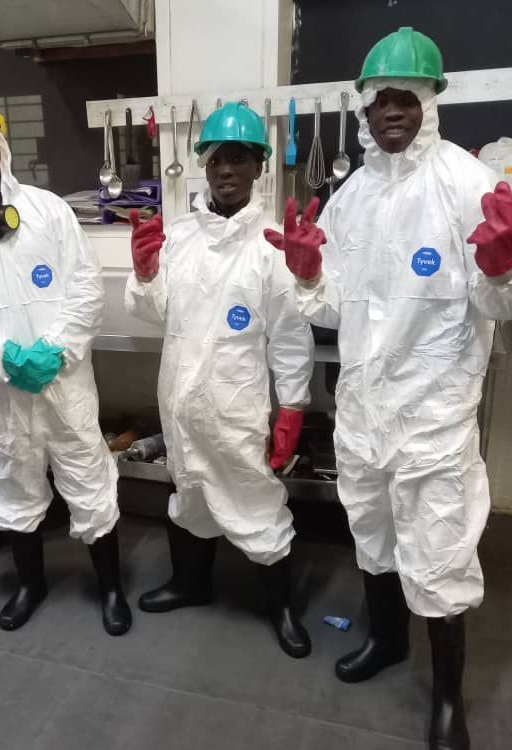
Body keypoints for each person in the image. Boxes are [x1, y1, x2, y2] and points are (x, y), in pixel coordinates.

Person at [265, 28, 512, 749]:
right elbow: (331, 307)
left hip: (433, 413)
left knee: (441, 549)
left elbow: (505, 306)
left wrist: (501, 269)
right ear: (364, 110)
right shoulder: (351, 197)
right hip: (363, 411)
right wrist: (305, 275)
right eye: (379, 99)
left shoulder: (468, 184)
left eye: (405, 97)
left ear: (430, 102)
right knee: (373, 532)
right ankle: (388, 642)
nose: (391, 110)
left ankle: (448, 699)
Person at [0, 86, 131, 637]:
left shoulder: (48, 210)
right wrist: (1, 357)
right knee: (14, 487)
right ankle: (29, 585)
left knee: (89, 481)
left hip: (63, 386)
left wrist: (55, 348)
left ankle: (110, 587)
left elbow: (86, 288)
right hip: (2, 392)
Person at [126, 102, 315, 658]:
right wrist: (144, 274)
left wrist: (293, 407)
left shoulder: (273, 244)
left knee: (256, 501)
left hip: (236, 403)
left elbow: (289, 335)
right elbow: (153, 311)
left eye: (239, 158)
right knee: (187, 492)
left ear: (258, 166)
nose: (226, 170)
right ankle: (190, 583)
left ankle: (280, 607)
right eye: (217, 159)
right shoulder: (180, 237)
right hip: (179, 400)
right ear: (203, 167)